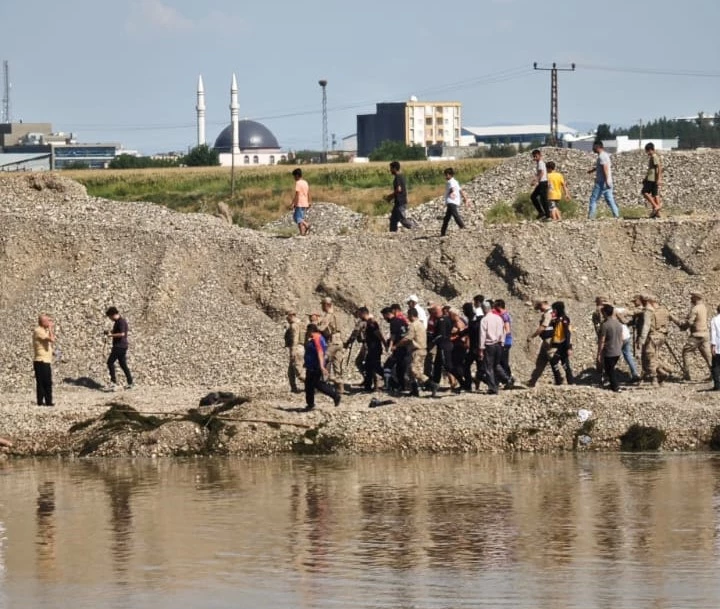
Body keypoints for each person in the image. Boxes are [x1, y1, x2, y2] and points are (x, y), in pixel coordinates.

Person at [394, 308, 438, 397]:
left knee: (414, 370)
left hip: (417, 350)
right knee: (411, 371)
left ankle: (431, 384)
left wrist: (397, 345)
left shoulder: (413, 325)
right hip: (422, 349)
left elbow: (408, 338)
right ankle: (414, 390)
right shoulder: (421, 324)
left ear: (410, 315)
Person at [672, 291, 712, 381]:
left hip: (696, 335)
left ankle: (687, 375)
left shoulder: (695, 309)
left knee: (685, 352)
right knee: (708, 355)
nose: (691, 298)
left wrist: (682, 326)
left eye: (692, 297)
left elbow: (689, 322)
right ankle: (714, 374)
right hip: (705, 334)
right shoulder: (704, 307)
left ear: (696, 298)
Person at [303, 323, 341, 411]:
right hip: (312, 364)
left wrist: (321, 366)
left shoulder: (316, 337)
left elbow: (320, 352)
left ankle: (335, 395)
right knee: (309, 384)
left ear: (311, 330)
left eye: (308, 331)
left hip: (315, 366)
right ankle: (310, 404)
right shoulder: (317, 337)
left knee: (316, 384)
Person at [638, 295, 672, 385]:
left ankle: (655, 378)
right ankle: (663, 372)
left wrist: (642, 340)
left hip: (652, 337)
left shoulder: (648, 312)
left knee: (650, 357)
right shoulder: (663, 310)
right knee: (655, 356)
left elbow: (646, 326)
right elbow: (671, 319)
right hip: (662, 336)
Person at [479, 303, 509, 395]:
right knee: (496, 364)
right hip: (499, 344)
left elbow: (482, 335)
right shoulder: (498, 318)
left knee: (489, 367)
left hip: (489, 345)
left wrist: (481, 348)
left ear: (483, 309)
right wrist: (502, 342)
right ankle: (507, 379)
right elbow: (504, 331)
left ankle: (492, 388)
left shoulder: (484, 320)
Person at [317, 297, 345, 394]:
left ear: (327, 305)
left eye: (322, 305)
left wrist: (314, 325)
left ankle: (324, 385)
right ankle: (340, 388)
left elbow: (321, 328)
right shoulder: (338, 314)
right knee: (337, 364)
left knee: (324, 361)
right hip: (339, 341)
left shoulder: (328, 315)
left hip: (332, 341)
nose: (322, 307)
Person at [586, 140, 620, 219]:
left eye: (594, 147)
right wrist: (593, 170)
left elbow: (605, 168)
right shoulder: (605, 155)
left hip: (602, 182)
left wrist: (606, 180)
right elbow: (601, 167)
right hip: (607, 182)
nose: (593, 149)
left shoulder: (602, 156)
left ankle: (591, 217)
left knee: (593, 199)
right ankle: (616, 215)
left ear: (597, 147)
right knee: (610, 200)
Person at [527, 298, 556, 387]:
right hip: (546, 341)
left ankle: (562, 380)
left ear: (543, 304)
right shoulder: (552, 312)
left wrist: (532, 336)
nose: (540, 310)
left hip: (549, 340)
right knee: (541, 361)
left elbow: (543, 326)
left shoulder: (548, 313)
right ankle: (532, 381)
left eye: (539, 307)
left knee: (554, 361)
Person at [597, 304, 624, 392]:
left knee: (610, 369)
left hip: (609, 350)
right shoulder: (618, 324)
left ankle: (616, 387)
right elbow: (622, 338)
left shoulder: (605, 325)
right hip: (617, 350)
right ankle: (612, 385)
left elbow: (602, 340)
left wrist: (599, 353)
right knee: (611, 368)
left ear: (604, 313)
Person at [105, 306, 133, 389]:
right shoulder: (118, 322)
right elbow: (117, 331)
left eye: (110, 317)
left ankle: (113, 382)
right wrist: (110, 331)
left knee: (110, 362)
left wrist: (110, 335)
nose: (110, 319)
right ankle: (130, 382)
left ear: (113, 315)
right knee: (123, 364)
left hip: (119, 346)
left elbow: (122, 334)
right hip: (122, 346)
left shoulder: (121, 322)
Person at [358, 307, 384, 392]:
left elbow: (378, 333)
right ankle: (368, 386)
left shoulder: (371, 322)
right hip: (371, 347)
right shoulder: (367, 322)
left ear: (363, 313)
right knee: (368, 366)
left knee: (374, 366)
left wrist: (384, 343)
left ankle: (378, 385)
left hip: (375, 347)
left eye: (359, 314)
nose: (358, 316)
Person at [33, 314, 56, 407]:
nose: (49, 322)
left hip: (46, 360)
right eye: (47, 321)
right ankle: (43, 401)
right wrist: (50, 328)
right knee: (43, 382)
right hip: (41, 360)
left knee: (46, 381)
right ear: (42, 322)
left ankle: (47, 400)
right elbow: (52, 339)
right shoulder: (38, 330)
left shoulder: (43, 330)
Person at [549, 301, 574, 385]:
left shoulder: (564, 319)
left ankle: (568, 382)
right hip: (557, 345)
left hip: (563, 345)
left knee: (563, 364)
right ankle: (561, 381)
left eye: (554, 310)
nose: (553, 311)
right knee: (556, 362)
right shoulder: (557, 319)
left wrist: (569, 347)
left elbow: (567, 333)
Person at [386, 161, 415, 232]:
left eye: (391, 168)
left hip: (400, 201)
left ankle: (414, 227)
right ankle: (392, 232)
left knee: (402, 219)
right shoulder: (401, 176)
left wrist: (390, 196)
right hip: (398, 202)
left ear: (395, 168)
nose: (390, 170)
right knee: (393, 219)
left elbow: (399, 189)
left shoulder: (398, 177)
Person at [440, 167, 469, 236]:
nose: (445, 176)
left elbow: (452, 188)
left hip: (451, 201)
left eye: (446, 175)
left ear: (449, 175)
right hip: (454, 201)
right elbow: (460, 190)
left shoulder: (450, 182)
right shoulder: (456, 181)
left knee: (455, 215)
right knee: (447, 218)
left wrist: (452, 193)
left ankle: (462, 226)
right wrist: (465, 198)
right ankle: (442, 232)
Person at [494, 299, 514, 386]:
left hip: (505, 341)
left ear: (498, 307)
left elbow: (507, 330)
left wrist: (500, 337)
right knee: (502, 361)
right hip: (505, 341)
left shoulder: (504, 315)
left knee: (503, 362)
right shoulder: (504, 315)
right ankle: (505, 379)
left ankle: (508, 379)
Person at [284, 311, 305, 393]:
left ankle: (313, 386)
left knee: (299, 372)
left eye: (287, 316)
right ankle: (293, 388)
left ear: (291, 316)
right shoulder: (301, 323)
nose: (286, 318)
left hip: (296, 349)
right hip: (300, 348)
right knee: (291, 372)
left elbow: (295, 339)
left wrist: (292, 351)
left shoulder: (294, 325)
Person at [642, 142, 663, 218]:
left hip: (652, 179)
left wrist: (659, 179)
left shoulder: (654, 157)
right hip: (652, 178)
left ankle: (656, 206)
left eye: (647, 151)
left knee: (645, 192)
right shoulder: (653, 157)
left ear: (651, 150)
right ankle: (658, 213)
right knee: (655, 194)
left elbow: (659, 167)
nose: (647, 153)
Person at [530, 149, 550, 220]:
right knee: (533, 197)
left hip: (543, 183)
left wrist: (536, 181)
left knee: (544, 200)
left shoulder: (541, 163)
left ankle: (547, 216)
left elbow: (541, 173)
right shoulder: (539, 163)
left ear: (539, 155)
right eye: (534, 156)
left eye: (536, 156)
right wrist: (534, 179)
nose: (534, 158)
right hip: (542, 183)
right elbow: (539, 173)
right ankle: (541, 212)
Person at [291, 168, 311, 236]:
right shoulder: (305, 182)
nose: (294, 178)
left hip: (300, 202)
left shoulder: (298, 183)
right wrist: (309, 201)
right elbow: (308, 193)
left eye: (294, 176)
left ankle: (306, 225)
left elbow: (297, 194)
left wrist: (293, 203)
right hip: (305, 202)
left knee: (298, 218)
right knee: (298, 218)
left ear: (297, 175)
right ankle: (302, 233)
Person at [710, 304, 720, 391]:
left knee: (716, 366)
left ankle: (717, 385)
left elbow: (713, 333)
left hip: (718, 346)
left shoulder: (714, 320)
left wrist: (713, 345)